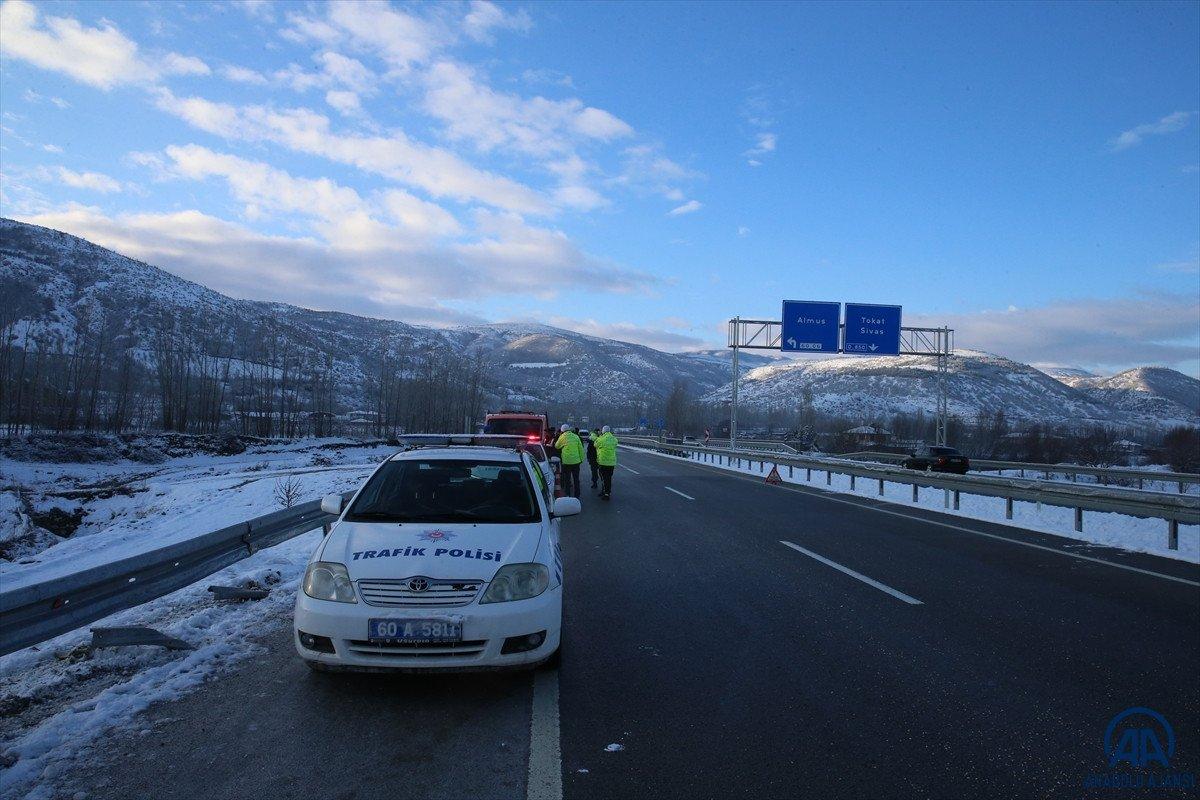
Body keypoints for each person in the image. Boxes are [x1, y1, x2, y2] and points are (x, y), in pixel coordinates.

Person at [554, 423, 584, 498]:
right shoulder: (576, 437)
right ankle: (577, 495)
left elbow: (557, 446)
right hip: (576, 462)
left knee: (567, 479)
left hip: (566, 462)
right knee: (576, 479)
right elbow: (581, 449)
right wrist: (581, 459)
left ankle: (567, 494)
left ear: (562, 430)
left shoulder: (562, 437)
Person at [593, 425, 618, 500]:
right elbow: (615, 444)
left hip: (603, 462)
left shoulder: (601, 439)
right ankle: (607, 492)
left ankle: (606, 493)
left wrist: (598, 437)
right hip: (612, 463)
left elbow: (595, 444)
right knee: (609, 478)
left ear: (603, 431)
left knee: (603, 478)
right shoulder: (614, 439)